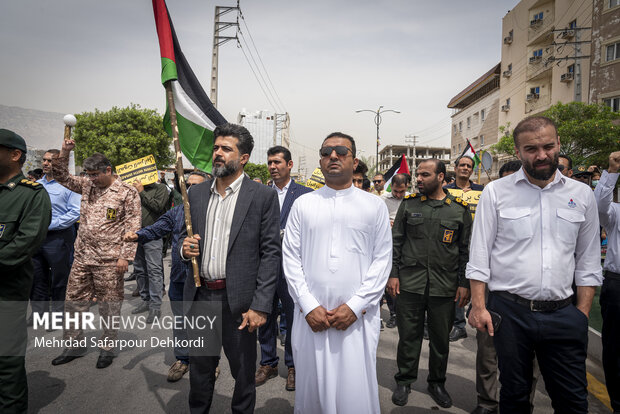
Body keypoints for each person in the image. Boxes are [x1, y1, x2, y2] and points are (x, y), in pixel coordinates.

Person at [467, 116, 602, 414]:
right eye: (531, 149)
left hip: (565, 314)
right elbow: (479, 256)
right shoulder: (496, 192)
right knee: (514, 397)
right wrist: (479, 307)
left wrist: (581, 314)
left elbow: (589, 262)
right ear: (517, 152)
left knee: (573, 401)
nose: (541, 155)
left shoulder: (581, 196)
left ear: (558, 146)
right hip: (510, 314)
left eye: (548, 146)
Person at [282, 132, 392, 413]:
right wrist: (307, 306)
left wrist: (355, 306)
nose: (333, 155)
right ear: (320, 160)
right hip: (311, 319)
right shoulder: (303, 204)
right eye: (326, 151)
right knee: (312, 390)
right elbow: (291, 259)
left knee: (353, 393)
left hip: (356, 321)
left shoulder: (374, 206)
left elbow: (382, 261)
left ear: (354, 161)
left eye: (341, 151)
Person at [180, 123, 280, 413]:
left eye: (226, 149)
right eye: (216, 148)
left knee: (243, 374)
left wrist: (260, 306)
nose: (218, 154)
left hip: (239, 303)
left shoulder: (261, 196)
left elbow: (271, 253)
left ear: (244, 158)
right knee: (200, 372)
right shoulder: (196, 195)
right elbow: (181, 240)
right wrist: (184, 250)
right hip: (201, 299)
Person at [388, 159, 472, 408]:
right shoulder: (410, 205)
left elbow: (466, 250)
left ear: (441, 177)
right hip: (410, 284)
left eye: (425, 174)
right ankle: (404, 380)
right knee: (408, 336)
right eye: (418, 174)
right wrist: (393, 274)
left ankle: (437, 382)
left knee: (440, 339)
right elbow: (396, 242)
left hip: (444, 286)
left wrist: (463, 283)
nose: (419, 179)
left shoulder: (459, 210)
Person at [50, 141, 141, 369]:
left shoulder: (127, 193)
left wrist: (125, 256)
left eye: (94, 175)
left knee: (109, 306)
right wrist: (65, 152)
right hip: (82, 257)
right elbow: (61, 176)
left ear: (108, 170)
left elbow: (133, 226)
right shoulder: (87, 186)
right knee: (73, 302)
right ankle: (74, 345)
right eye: (88, 174)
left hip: (109, 260)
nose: (91, 179)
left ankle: (107, 347)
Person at [123, 171, 207, 382]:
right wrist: (137, 235)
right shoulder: (177, 212)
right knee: (180, 322)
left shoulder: (214, 213)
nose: (190, 188)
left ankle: (207, 362)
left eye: (197, 185)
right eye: (187, 185)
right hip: (180, 278)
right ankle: (182, 359)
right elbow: (156, 229)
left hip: (205, 280)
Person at [0, 129, 51, 413]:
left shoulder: (31, 195)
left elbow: (24, 243)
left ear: (14, 155)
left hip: (7, 293)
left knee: (6, 363)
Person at [256, 145, 313, 391]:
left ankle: (293, 365)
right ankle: (268, 363)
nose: (273, 167)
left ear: (290, 165)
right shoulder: (259, 193)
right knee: (264, 317)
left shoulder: (306, 195)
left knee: (293, 319)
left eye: (277, 162)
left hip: (293, 270)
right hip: (264, 268)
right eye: (270, 162)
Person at [471, 159, 522, 414]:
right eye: (508, 179)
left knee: (524, 362)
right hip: (493, 293)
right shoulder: (490, 203)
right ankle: (488, 402)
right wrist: (477, 303)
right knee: (488, 352)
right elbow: (478, 253)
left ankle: (522, 402)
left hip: (527, 298)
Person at [30, 149, 81, 324]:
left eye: (50, 161)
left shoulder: (69, 185)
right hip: (36, 239)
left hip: (58, 238)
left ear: (59, 163)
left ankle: (59, 314)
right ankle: (39, 315)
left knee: (60, 279)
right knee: (37, 277)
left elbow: (75, 212)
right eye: (44, 160)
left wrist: (50, 225)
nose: (45, 163)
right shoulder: (37, 185)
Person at [444, 155, 483, 342]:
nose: (465, 168)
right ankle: (458, 325)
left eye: (469, 166)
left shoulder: (482, 191)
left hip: (478, 244)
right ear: (456, 167)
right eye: (462, 165)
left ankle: (475, 315)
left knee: (476, 283)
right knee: (456, 285)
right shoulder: (445, 190)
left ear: (472, 170)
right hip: (452, 246)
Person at [594, 151, 620, 412]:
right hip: (617, 286)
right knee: (615, 349)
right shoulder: (616, 212)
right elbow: (599, 206)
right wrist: (612, 171)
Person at [130, 179, 169, 322]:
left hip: (153, 235)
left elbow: (158, 207)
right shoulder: (130, 189)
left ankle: (155, 306)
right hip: (134, 235)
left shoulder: (161, 188)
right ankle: (145, 299)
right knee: (139, 269)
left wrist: (141, 192)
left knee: (154, 270)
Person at [381, 173, 409, 330]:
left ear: (407, 187)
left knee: (404, 282)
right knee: (390, 281)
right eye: (396, 191)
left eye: (402, 192)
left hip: (406, 246)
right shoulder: (382, 200)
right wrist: (387, 224)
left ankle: (404, 313)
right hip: (388, 245)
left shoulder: (412, 200)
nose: (398, 195)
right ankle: (393, 314)